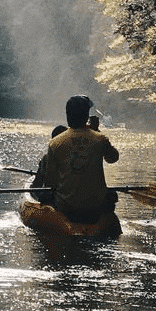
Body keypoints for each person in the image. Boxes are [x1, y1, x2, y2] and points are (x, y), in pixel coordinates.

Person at [37, 95, 119, 223]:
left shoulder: (55, 143)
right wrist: (96, 130)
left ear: (68, 115)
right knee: (112, 195)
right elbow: (113, 158)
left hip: (66, 206)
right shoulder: (100, 139)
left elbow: (50, 181)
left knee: (44, 195)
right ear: (86, 117)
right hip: (96, 205)